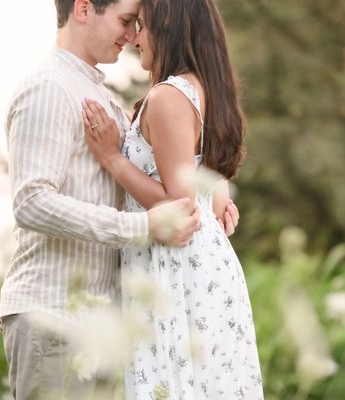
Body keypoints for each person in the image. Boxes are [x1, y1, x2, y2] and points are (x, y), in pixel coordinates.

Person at [0, 1, 211, 399]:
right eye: (125, 21)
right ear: (83, 9)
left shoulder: (95, 90)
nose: (132, 36)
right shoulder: (49, 86)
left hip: (98, 328)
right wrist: (143, 227)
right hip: (55, 317)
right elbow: (31, 202)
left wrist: (212, 197)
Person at [82, 0, 264, 399]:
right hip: (205, 269)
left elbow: (178, 210)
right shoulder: (205, 89)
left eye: (142, 26)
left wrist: (114, 159)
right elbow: (213, 193)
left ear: (170, 30)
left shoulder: (168, 96)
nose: (133, 38)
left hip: (175, 271)